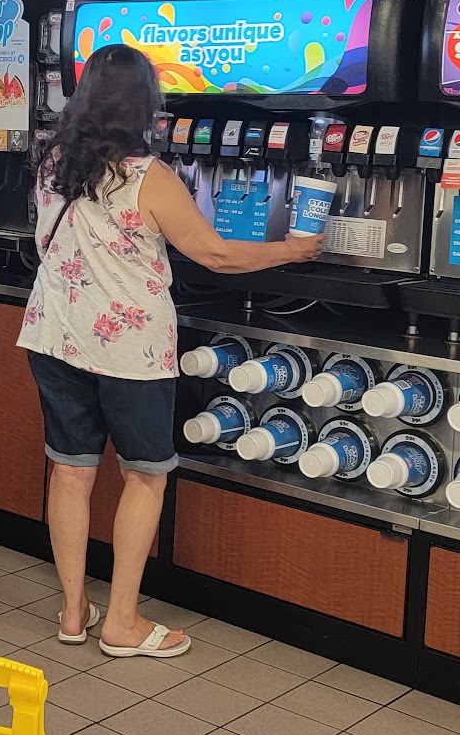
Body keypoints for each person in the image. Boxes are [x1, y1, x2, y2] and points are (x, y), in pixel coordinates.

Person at [18, 43, 322, 658]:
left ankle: (74, 612)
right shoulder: (148, 176)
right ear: (145, 105)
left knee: (71, 472)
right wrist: (292, 250)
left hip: (55, 335)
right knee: (144, 476)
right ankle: (122, 623)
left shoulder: (52, 160)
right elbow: (215, 254)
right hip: (129, 351)